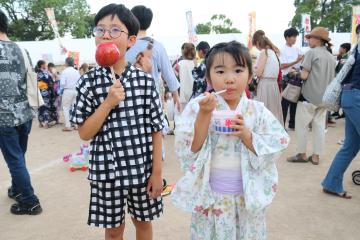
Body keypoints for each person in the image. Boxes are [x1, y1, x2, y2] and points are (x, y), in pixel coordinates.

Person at [171, 41, 289, 239]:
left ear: (250, 75)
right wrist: (204, 115)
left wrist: (246, 134)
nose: (229, 79)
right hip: (212, 197)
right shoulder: (198, 106)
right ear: (208, 77)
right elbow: (191, 149)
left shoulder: (257, 110)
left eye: (238, 70)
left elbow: (278, 143)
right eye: (220, 71)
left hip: (246, 197)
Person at [70, 4, 164, 240]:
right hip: (106, 173)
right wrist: (108, 103)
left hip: (141, 170)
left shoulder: (144, 82)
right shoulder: (88, 83)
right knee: (113, 231)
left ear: (131, 40)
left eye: (114, 30)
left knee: (143, 222)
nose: (105, 36)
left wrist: (157, 172)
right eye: (100, 30)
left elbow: (156, 129)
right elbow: (84, 133)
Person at [0, 9, 42, 215]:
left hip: (3, 117)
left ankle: (30, 201)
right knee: (19, 157)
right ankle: (17, 188)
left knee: (15, 159)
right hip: (25, 114)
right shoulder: (22, 49)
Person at [287, 27, 336, 165]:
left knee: (301, 126)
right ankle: (316, 156)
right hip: (325, 98)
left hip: (309, 97)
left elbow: (304, 75)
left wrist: (295, 73)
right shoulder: (330, 56)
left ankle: (302, 154)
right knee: (319, 127)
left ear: (318, 40)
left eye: (310, 37)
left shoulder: (311, 53)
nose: (308, 39)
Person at [321, 25, 360, 199]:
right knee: (349, 146)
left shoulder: (356, 49)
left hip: (350, 96)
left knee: (350, 146)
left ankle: (331, 183)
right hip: (356, 97)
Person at [125, 5, 180, 111]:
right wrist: (175, 95)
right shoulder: (157, 46)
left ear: (131, 20)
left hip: (129, 98)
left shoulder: (125, 45)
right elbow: (168, 74)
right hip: (152, 98)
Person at [252, 30, 284, 125]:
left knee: (264, 112)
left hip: (265, 84)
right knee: (273, 112)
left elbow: (259, 73)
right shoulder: (273, 52)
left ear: (257, 43)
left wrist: (253, 69)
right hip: (273, 85)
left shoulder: (264, 52)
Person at [280, 28, 303, 130]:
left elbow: (300, 63)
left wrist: (298, 62)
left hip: (296, 77)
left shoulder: (297, 49)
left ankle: (292, 124)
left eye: (296, 37)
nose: (295, 39)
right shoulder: (282, 50)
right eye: (293, 37)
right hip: (286, 78)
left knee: (295, 102)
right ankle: (282, 125)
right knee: (285, 103)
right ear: (287, 37)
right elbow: (282, 66)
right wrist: (296, 61)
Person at [60, 57, 80, 131]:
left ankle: (68, 125)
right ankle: (75, 124)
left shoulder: (64, 71)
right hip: (76, 91)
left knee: (66, 108)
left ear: (66, 63)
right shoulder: (76, 71)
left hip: (67, 90)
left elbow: (62, 83)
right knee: (74, 107)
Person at [37, 60, 58, 128]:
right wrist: (51, 83)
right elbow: (46, 80)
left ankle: (42, 122)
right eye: (44, 64)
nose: (46, 65)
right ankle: (45, 122)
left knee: (45, 106)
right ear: (41, 65)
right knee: (44, 106)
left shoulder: (45, 72)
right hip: (43, 91)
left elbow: (50, 80)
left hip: (47, 91)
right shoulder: (39, 72)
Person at [179, 42, 196, 109]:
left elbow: (180, 80)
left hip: (184, 95)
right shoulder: (195, 63)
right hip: (194, 94)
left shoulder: (181, 64)